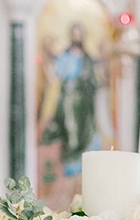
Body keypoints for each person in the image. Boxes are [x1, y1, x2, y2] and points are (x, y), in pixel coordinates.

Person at [38, 22, 100, 181]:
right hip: (68, 97)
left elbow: (97, 79)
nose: (76, 36)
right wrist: (46, 57)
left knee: (85, 130)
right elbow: (54, 75)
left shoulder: (87, 59)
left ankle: (81, 165)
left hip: (84, 99)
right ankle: (71, 163)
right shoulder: (64, 57)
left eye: (79, 33)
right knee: (70, 129)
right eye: (74, 33)